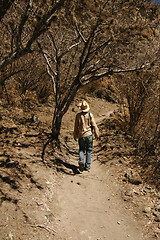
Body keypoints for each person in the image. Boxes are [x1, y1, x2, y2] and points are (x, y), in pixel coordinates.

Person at [73, 100, 99, 172]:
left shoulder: (78, 116)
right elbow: (94, 125)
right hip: (89, 135)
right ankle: (87, 166)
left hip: (81, 135)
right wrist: (97, 134)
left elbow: (76, 127)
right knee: (89, 150)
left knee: (81, 149)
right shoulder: (90, 115)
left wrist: (75, 135)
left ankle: (81, 161)